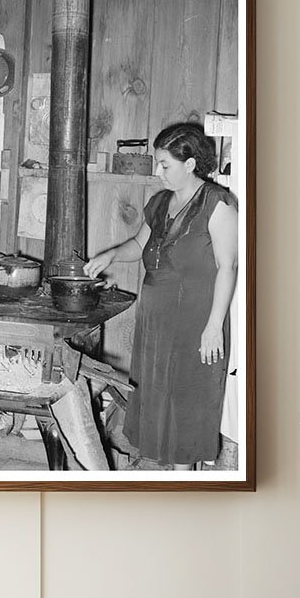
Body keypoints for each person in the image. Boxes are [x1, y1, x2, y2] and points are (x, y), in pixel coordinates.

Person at [84, 122, 239, 470]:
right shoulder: (159, 203)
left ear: (190, 164)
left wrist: (214, 325)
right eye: (157, 163)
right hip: (156, 318)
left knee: (187, 397)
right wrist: (109, 254)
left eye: (165, 165)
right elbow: (139, 245)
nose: (158, 172)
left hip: (196, 318)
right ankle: (167, 469)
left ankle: (183, 477)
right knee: (157, 394)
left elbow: (227, 267)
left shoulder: (218, 206)